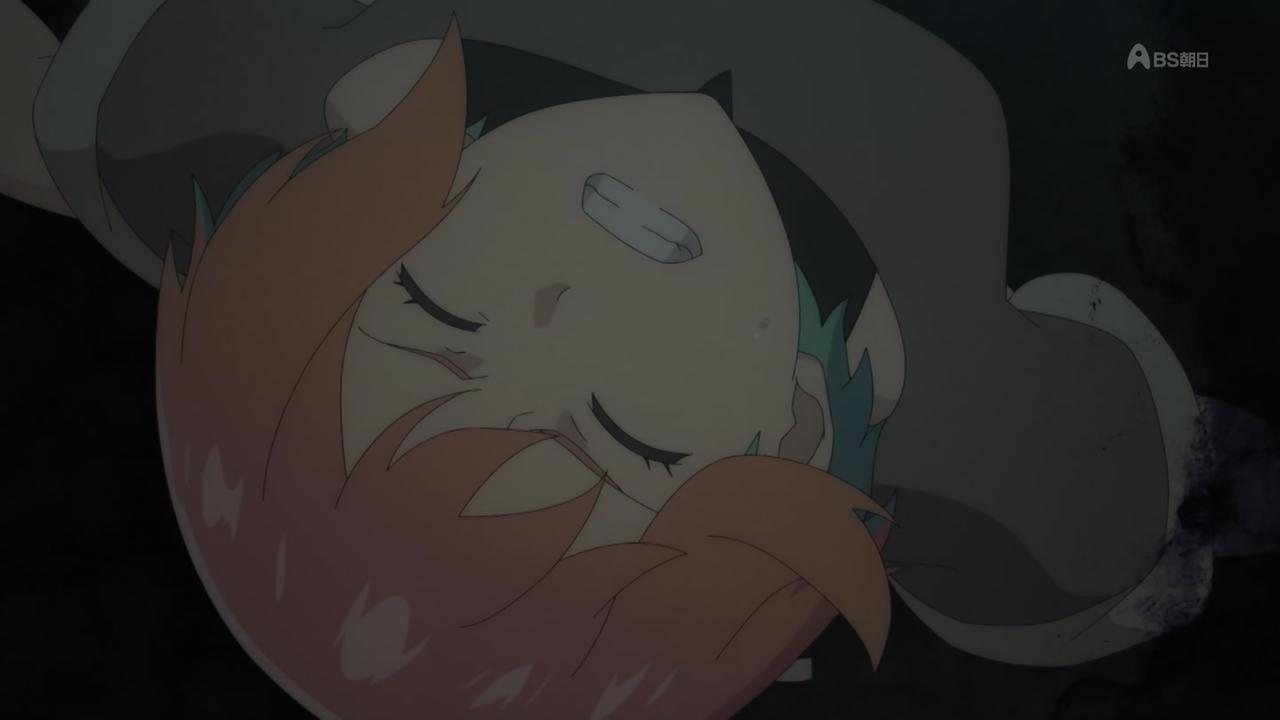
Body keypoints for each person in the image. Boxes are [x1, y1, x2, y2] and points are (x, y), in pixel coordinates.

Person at [1, 1, 1214, 717]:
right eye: (635, 430)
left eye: (432, 308)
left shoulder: (281, 82)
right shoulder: (943, 325)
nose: (554, 309)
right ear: (798, 427)